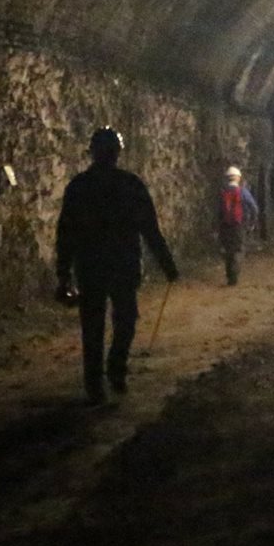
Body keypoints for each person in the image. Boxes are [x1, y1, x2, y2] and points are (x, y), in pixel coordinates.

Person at [55, 127, 179, 402]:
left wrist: (63, 273)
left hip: (90, 267)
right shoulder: (130, 184)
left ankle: (95, 383)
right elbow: (149, 228)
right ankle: (116, 369)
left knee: (93, 326)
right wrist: (166, 263)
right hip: (122, 265)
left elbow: (66, 232)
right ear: (116, 152)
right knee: (125, 321)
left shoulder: (79, 187)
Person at [218, 164, 259, 285]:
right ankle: (234, 276)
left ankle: (229, 276)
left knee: (228, 250)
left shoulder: (223, 192)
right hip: (239, 224)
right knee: (238, 249)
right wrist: (252, 222)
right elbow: (254, 208)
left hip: (225, 225)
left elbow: (219, 211)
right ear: (238, 178)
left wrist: (218, 226)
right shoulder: (242, 192)